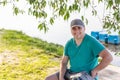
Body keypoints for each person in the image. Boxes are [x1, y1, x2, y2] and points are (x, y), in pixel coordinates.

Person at [45, 19, 113, 80]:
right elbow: (64, 62)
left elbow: (108, 57)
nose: (77, 31)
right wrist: (61, 77)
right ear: (71, 30)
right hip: (71, 73)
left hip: (86, 75)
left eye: (79, 28)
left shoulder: (91, 42)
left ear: (84, 29)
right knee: (48, 79)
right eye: (74, 28)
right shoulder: (69, 43)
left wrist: (95, 70)